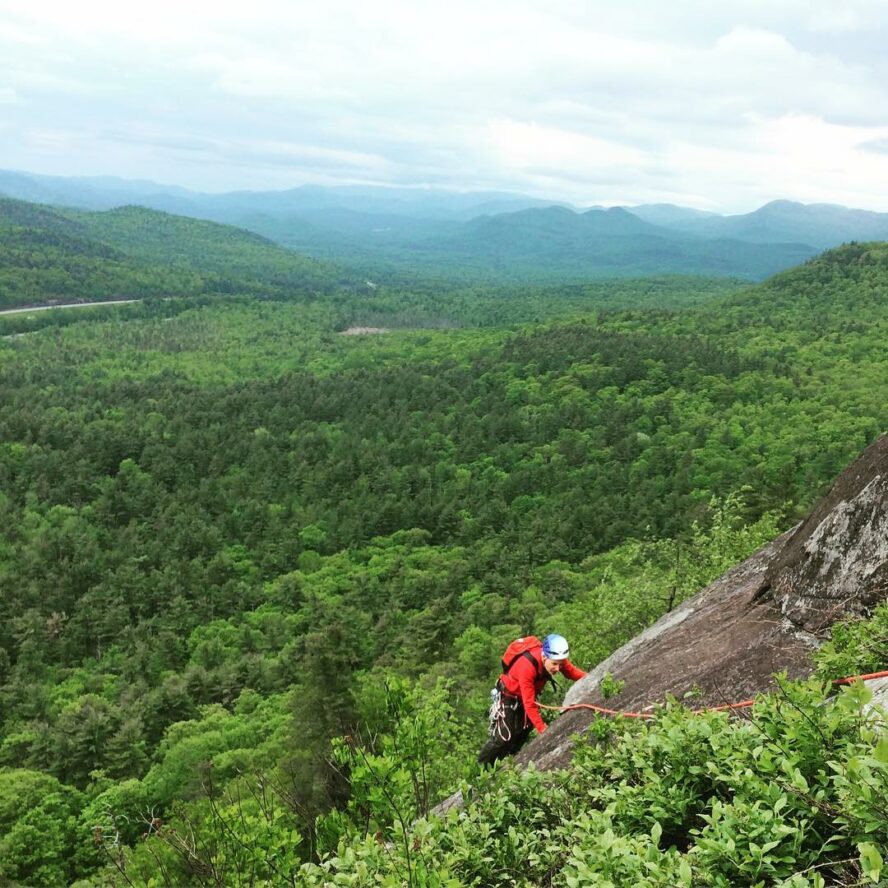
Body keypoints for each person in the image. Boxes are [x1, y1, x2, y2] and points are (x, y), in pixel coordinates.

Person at [478, 633, 587, 766]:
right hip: (508, 696)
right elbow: (529, 703)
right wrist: (542, 728)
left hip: (523, 697)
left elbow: (572, 672)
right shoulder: (527, 666)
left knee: (522, 731)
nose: (557, 668)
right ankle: (481, 767)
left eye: (560, 664)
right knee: (504, 737)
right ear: (544, 656)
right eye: (554, 664)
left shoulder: (556, 657)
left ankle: (509, 761)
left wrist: (592, 677)